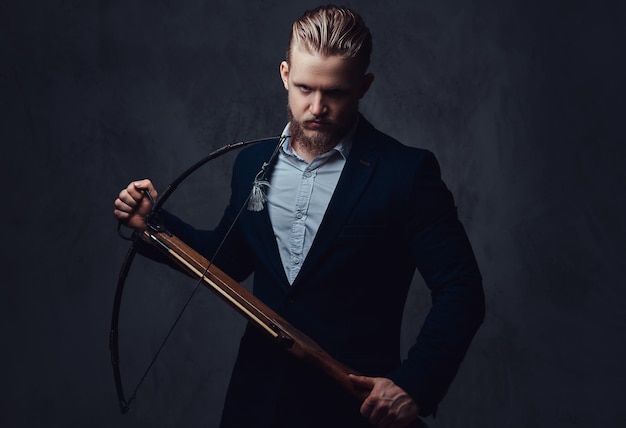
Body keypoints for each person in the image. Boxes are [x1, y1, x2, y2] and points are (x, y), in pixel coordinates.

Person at [114, 5, 485, 428]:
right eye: (305, 88)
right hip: (254, 405)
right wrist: (153, 225)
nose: (317, 107)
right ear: (285, 74)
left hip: (349, 410)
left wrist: (415, 384)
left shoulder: (406, 173)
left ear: (363, 86)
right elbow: (227, 262)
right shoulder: (253, 164)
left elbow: (462, 289)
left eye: (336, 92)